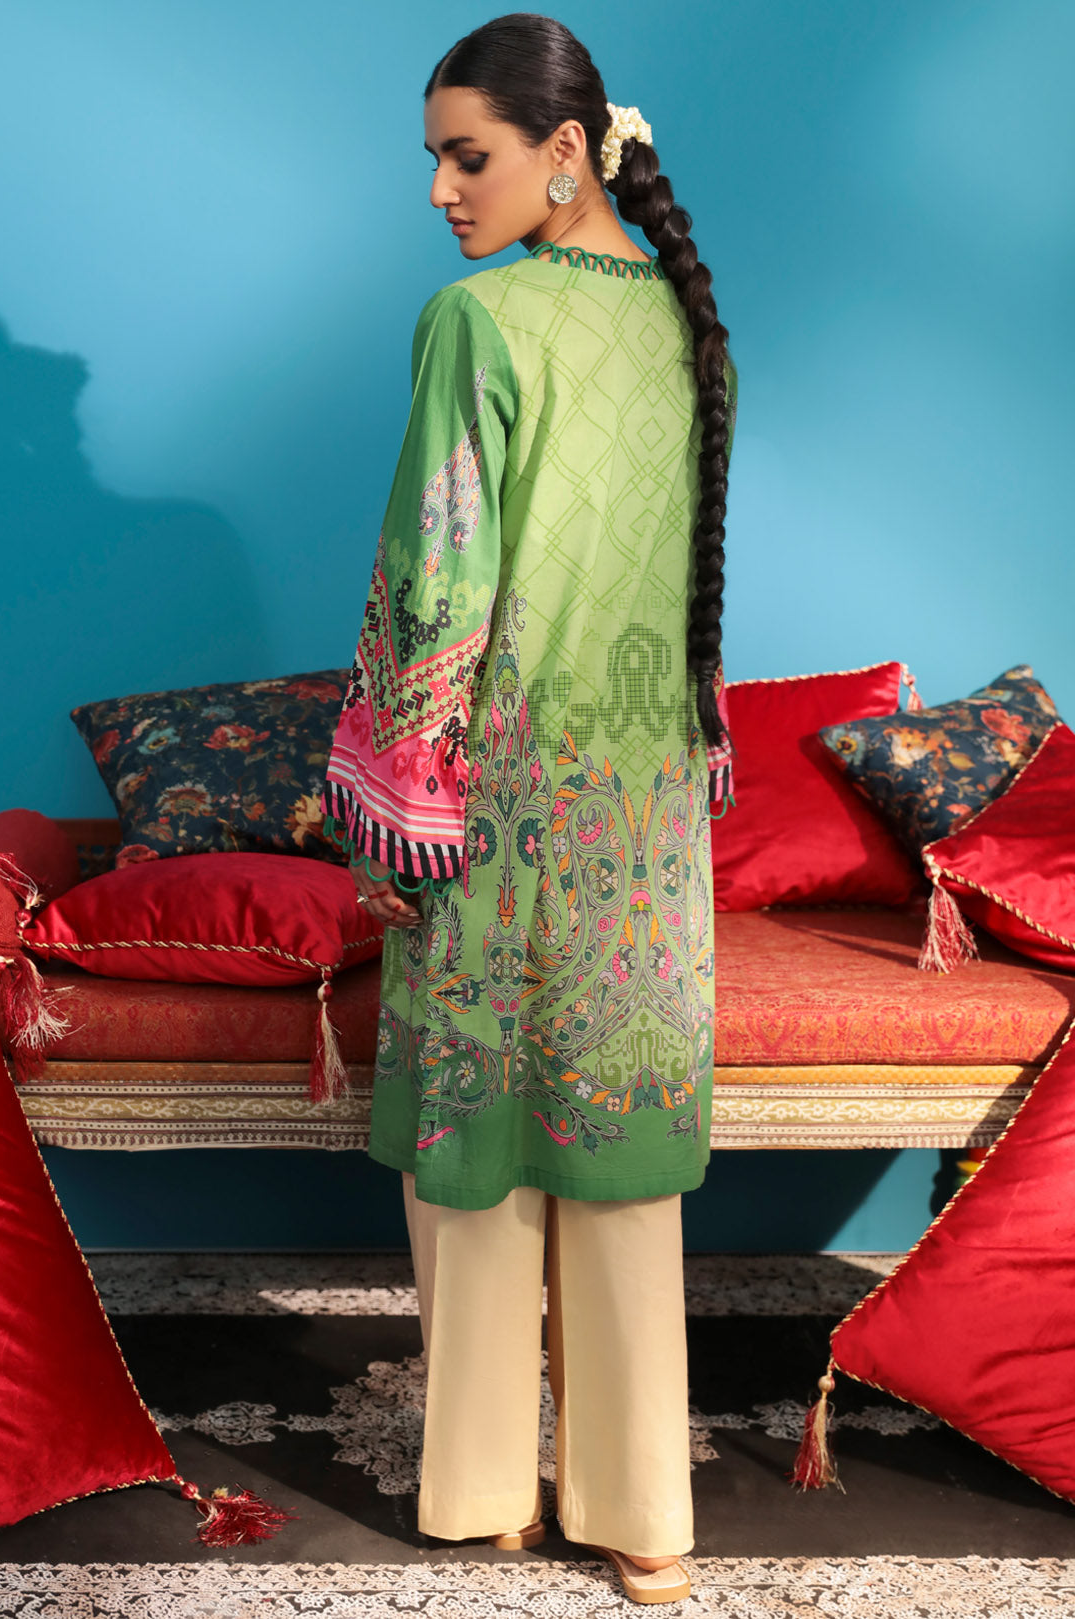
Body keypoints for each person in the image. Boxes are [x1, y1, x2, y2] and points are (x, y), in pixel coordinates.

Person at [321, 13, 736, 1605]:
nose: (440, 191)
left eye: (466, 156)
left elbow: (438, 577)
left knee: (478, 1159)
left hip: (492, 803)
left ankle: (483, 1489)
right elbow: (689, 589)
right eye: (435, 159)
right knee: (618, 1155)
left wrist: (394, 795)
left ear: (568, 152)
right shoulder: (694, 324)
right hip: (643, 810)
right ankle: (647, 1519)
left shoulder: (475, 322)